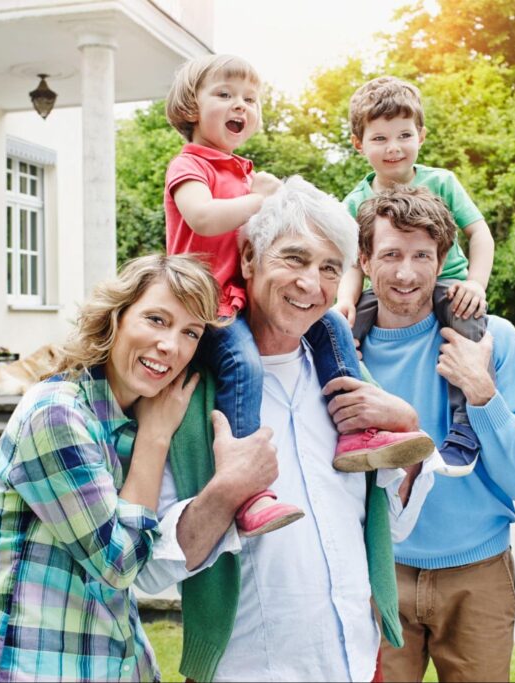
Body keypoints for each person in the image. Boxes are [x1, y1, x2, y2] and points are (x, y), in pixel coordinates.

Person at [138, 176, 439, 682]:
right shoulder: (187, 395)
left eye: (328, 269)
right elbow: (150, 567)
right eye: (294, 260)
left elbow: (391, 524)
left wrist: (408, 434)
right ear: (250, 258)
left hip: (359, 663)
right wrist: (228, 490)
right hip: (249, 671)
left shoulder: (348, 383)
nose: (311, 285)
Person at [163, 56, 433, 536]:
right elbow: (203, 219)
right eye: (224, 95)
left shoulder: (243, 172)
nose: (239, 105)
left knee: (330, 324)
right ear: (190, 105)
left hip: (236, 295)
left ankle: (357, 429)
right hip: (205, 304)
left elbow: (398, 528)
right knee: (242, 365)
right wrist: (263, 198)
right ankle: (248, 484)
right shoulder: (191, 165)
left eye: (249, 99)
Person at [0, 255, 221, 682]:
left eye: (190, 333)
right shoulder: (58, 415)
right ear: (116, 317)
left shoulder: (128, 417)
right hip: (36, 669)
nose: (171, 346)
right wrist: (154, 440)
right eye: (156, 319)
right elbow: (117, 565)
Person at [352, 187, 515, 682]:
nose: (406, 273)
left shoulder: (491, 339)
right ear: (365, 260)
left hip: (477, 575)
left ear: (442, 261)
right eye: (390, 254)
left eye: (422, 256)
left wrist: (481, 391)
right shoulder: (343, 348)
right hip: (377, 573)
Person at [337, 75, 498, 471]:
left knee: (468, 330)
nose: (393, 148)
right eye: (379, 138)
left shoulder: (441, 181)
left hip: (448, 284)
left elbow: (480, 233)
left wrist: (476, 283)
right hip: (386, 290)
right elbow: (353, 263)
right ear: (359, 144)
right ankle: (355, 425)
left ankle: (463, 430)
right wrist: (344, 300)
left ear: (421, 136)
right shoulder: (356, 201)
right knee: (340, 334)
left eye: (404, 135)